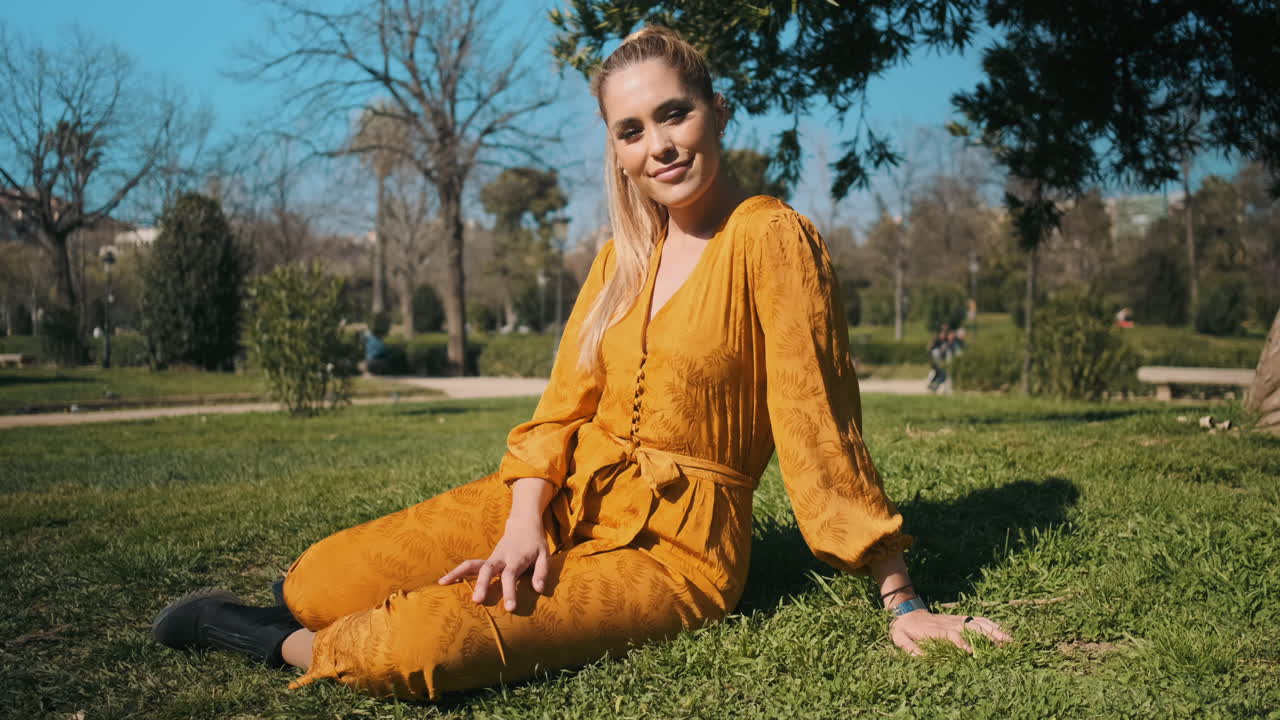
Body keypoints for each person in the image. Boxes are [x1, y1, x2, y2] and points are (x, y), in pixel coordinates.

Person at [152, 26, 1011, 702]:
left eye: (674, 115)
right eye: (631, 131)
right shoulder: (620, 257)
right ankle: (302, 607)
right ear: (616, 146)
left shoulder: (769, 239)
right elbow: (558, 412)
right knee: (320, 575)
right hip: (565, 497)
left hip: (676, 552)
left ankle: (265, 638)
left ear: (715, 109)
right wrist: (525, 518)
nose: (659, 147)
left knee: (412, 645)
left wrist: (901, 594)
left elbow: (820, 424)